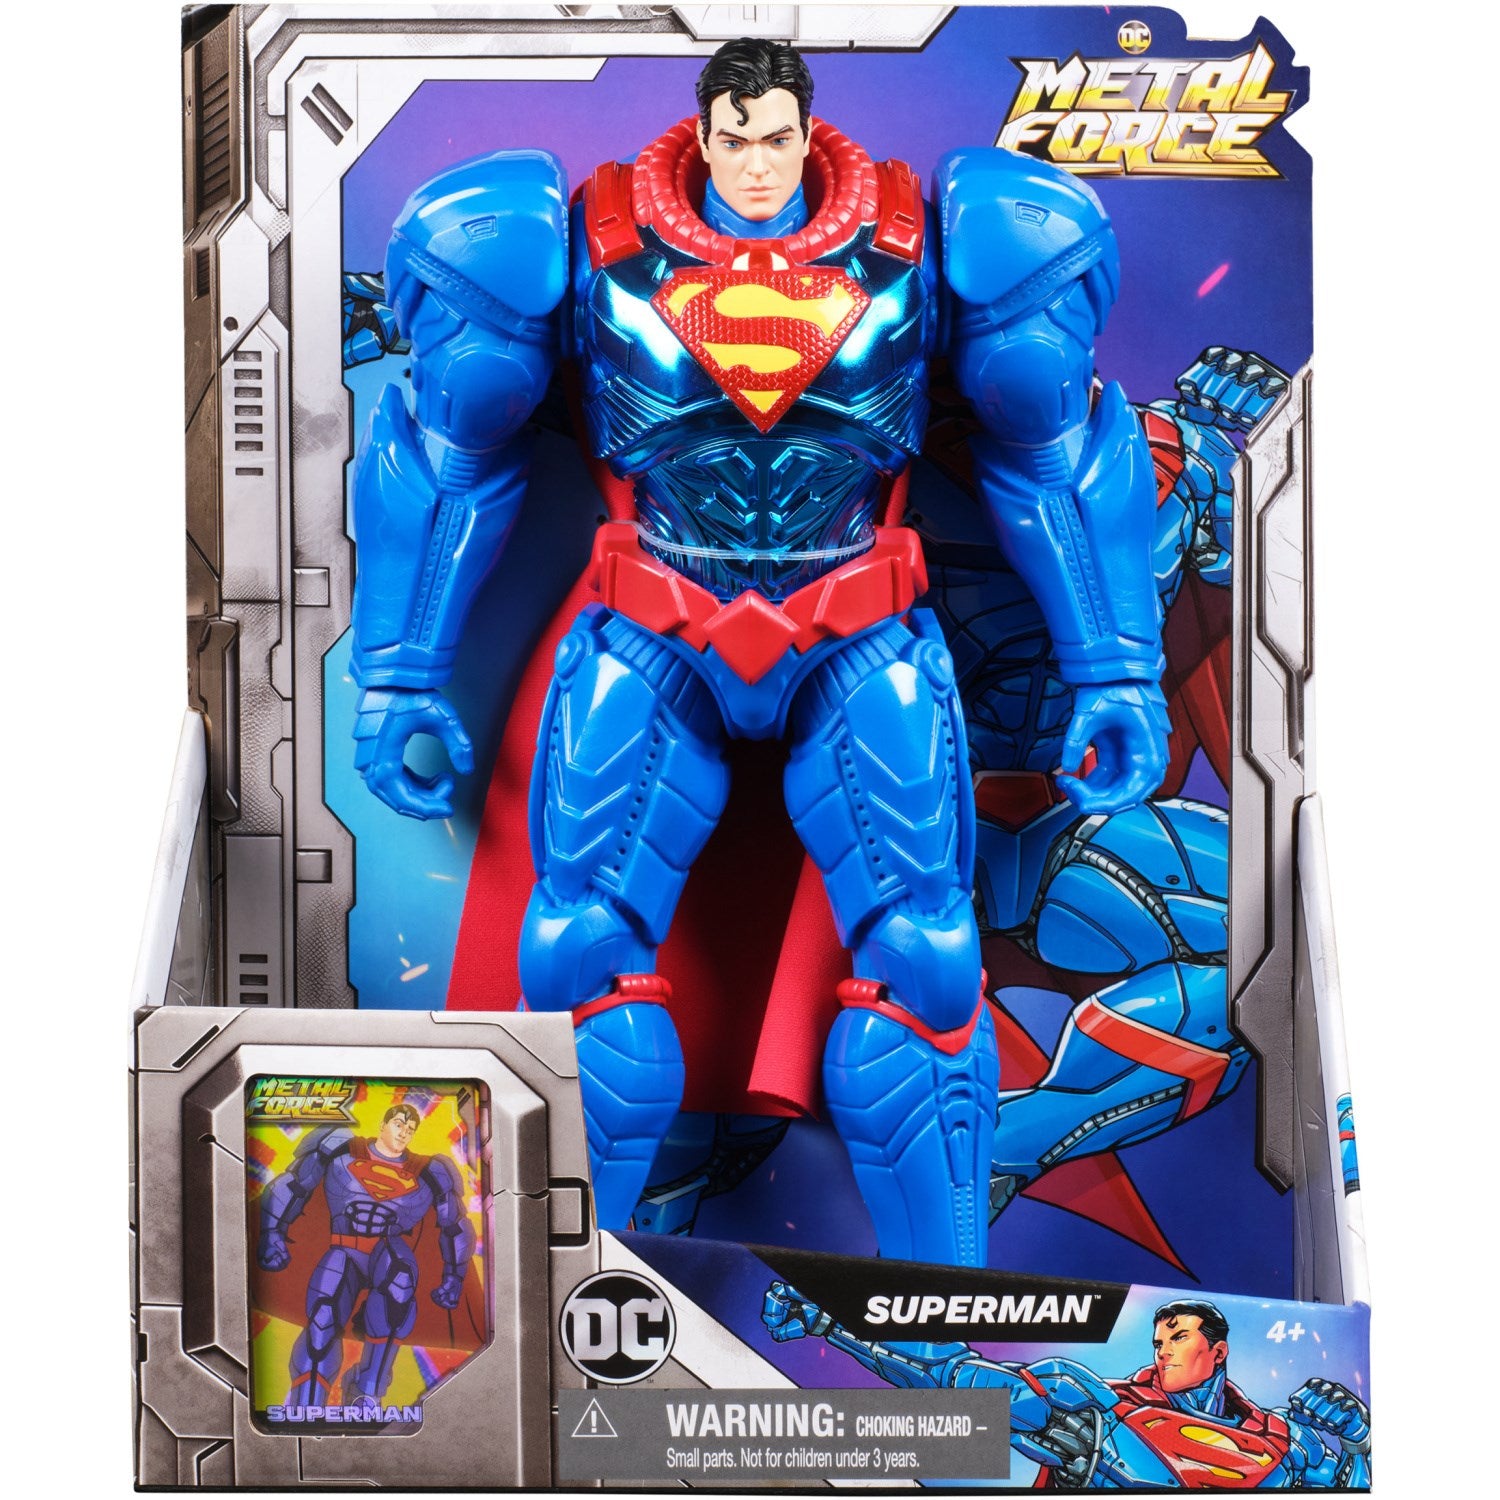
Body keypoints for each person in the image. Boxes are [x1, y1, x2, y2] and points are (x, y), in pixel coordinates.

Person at [349, 38, 1167, 1267]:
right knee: (577, 958)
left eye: (775, 136)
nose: (754, 162)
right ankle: (560, 1297)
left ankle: (942, 1309)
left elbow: (1053, 461)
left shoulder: (949, 238)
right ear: (704, 131)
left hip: (860, 631)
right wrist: (400, 675)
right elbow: (450, 463)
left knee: (928, 966)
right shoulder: (556, 237)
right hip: (654, 627)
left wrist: (1116, 669)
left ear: (804, 129)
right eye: (733, 138)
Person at [763, 1285, 1372, 1489]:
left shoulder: (1284, 1439)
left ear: (1218, 1351)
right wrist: (835, 1323)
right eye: (1158, 1339)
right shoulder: (1097, 1404)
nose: (1162, 1350)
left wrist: (1360, 1437)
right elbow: (949, 1378)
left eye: (1179, 1337)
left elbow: (1362, 1483)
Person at [256, 1104, 474, 1409]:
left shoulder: (430, 1170)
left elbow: (455, 1226)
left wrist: (454, 1277)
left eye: (410, 1129)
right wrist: (272, 1232)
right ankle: (307, 1400)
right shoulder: (340, 1146)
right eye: (399, 1124)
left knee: (399, 1290)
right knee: (323, 1316)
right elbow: (293, 1185)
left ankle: (367, 1392)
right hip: (344, 1247)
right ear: (383, 1124)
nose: (404, 1132)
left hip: (388, 1249)